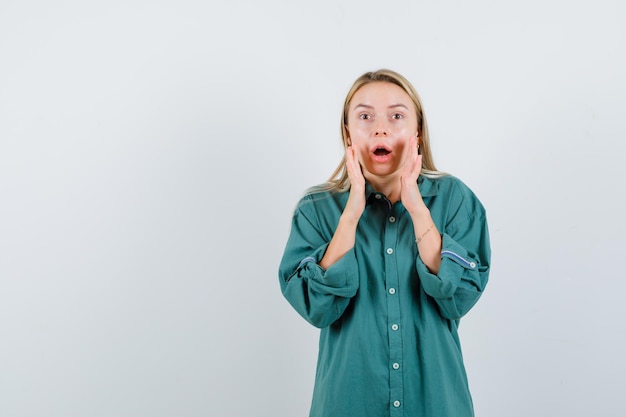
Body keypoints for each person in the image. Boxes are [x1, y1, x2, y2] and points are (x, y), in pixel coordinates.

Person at [278, 69, 491, 417]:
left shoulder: (455, 201)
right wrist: (350, 215)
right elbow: (315, 307)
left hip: (436, 404)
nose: (381, 128)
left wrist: (417, 207)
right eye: (365, 116)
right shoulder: (315, 210)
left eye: (396, 116)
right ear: (348, 132)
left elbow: (460, 297)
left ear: (417, 131)